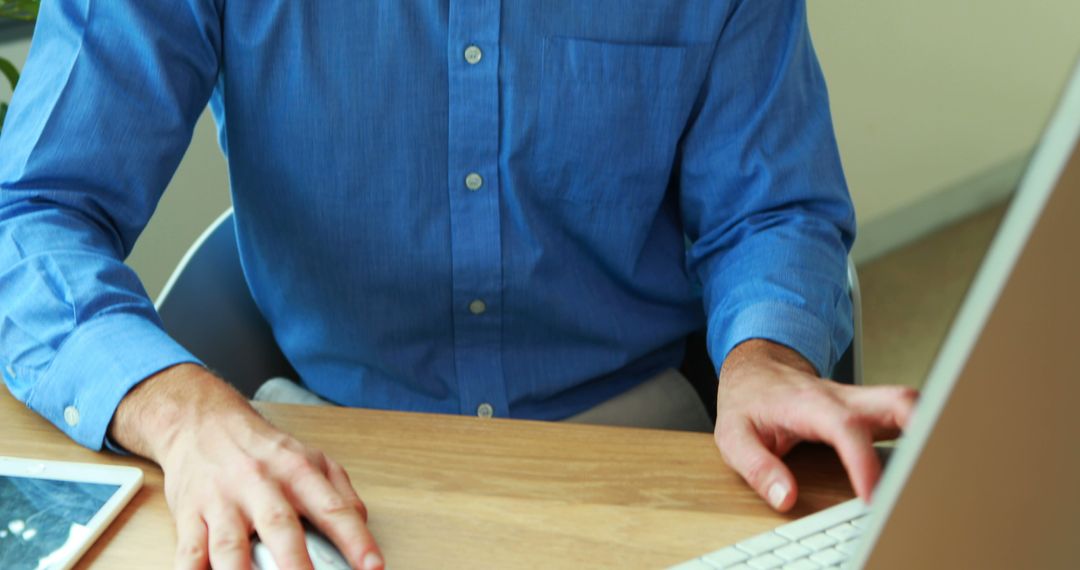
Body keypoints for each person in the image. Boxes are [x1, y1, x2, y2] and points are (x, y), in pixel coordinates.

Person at [0, 1, 917, 569]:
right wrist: (182, 411)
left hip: (643, 444)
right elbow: (30, 215)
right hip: (330, 443)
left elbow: (771, 211)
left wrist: (765, 354)